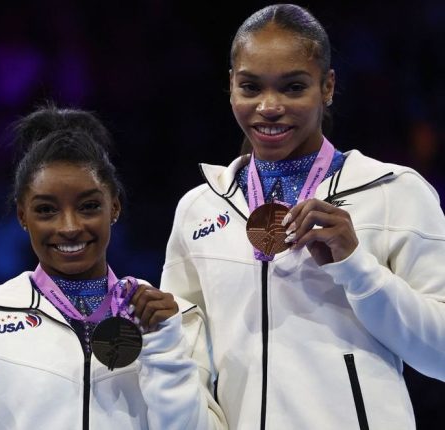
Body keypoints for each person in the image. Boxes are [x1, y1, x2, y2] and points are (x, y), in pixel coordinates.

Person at [160, 4, 445, 429]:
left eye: (293, 87)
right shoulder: (199, 210)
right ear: (231, 86)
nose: (269, 106)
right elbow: (188, 356)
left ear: (327, 87)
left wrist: (357, 268)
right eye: (250, 87)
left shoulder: (394, 193)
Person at [0, 105, 226, 429]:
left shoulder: (174, 320)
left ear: (114, 207)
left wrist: (164, 351)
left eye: (89, 206)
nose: (69, 227)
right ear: (22, 216)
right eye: (46, 210)